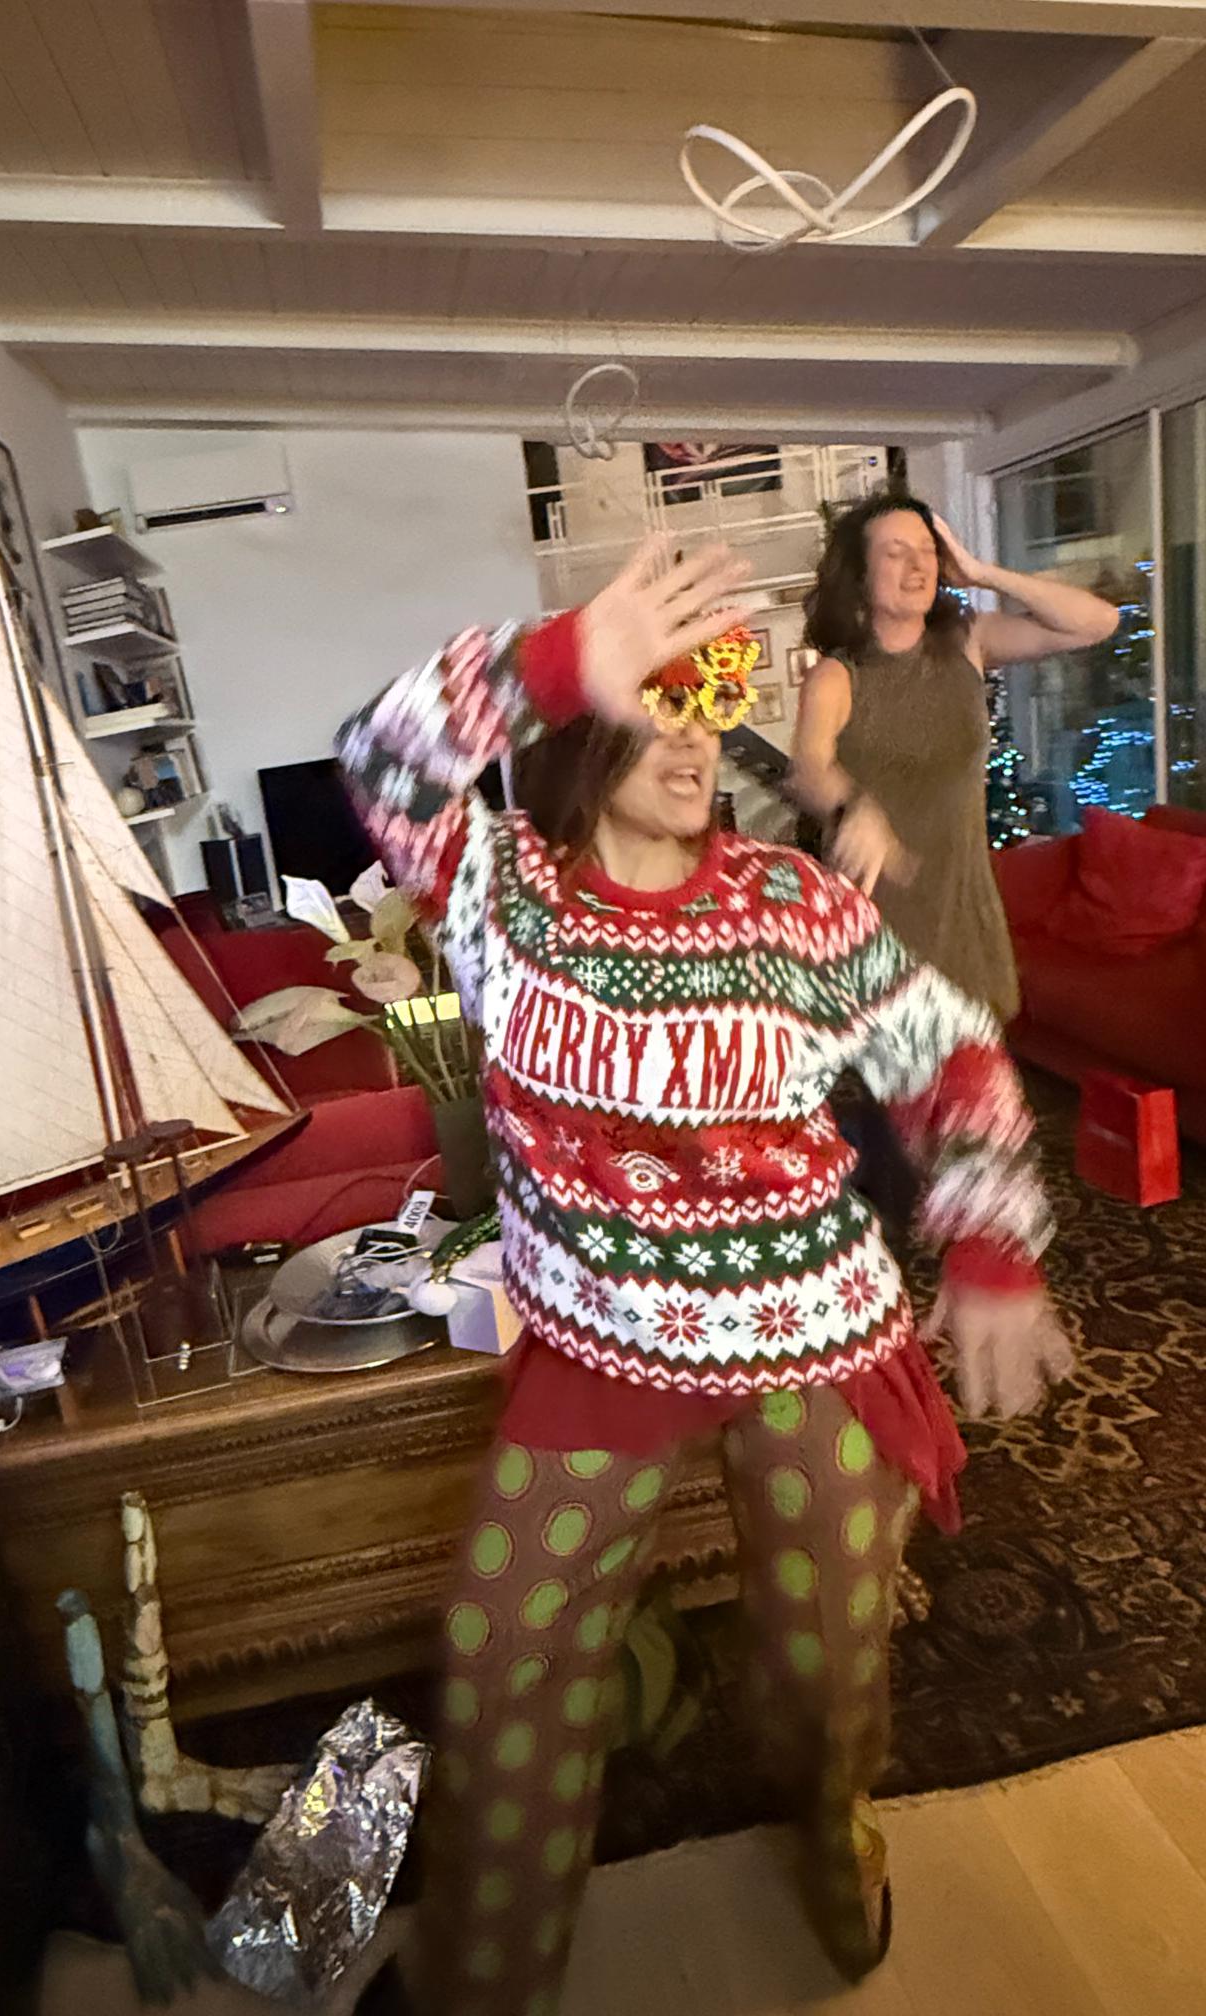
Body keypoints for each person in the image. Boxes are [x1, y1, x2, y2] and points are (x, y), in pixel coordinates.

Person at [336, 539, 1072, 2016]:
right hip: (597, 1345)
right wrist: (555, 655)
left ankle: (831, 1835)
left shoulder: (793, 902)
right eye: (656, 707)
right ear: (588, 730)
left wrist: (992, 1247)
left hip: (813, 1335)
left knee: (823, 1663)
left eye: (707, 713)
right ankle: (484, 1974)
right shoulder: (499, 893)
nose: (691, 744)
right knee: (506, 1648)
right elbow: (381, 762)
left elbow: (951, 1058)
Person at [790, 492, 1119, 1022]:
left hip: (966, 923)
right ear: (860, 574)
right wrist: (854, 806)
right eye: (896, 552)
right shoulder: (835, 676)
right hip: (877, 934)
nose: (918, 564)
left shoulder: (968, 642)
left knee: (980, 1066)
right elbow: (808, 767)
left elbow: (1096, 622)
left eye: (927, 549)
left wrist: (983, 573)